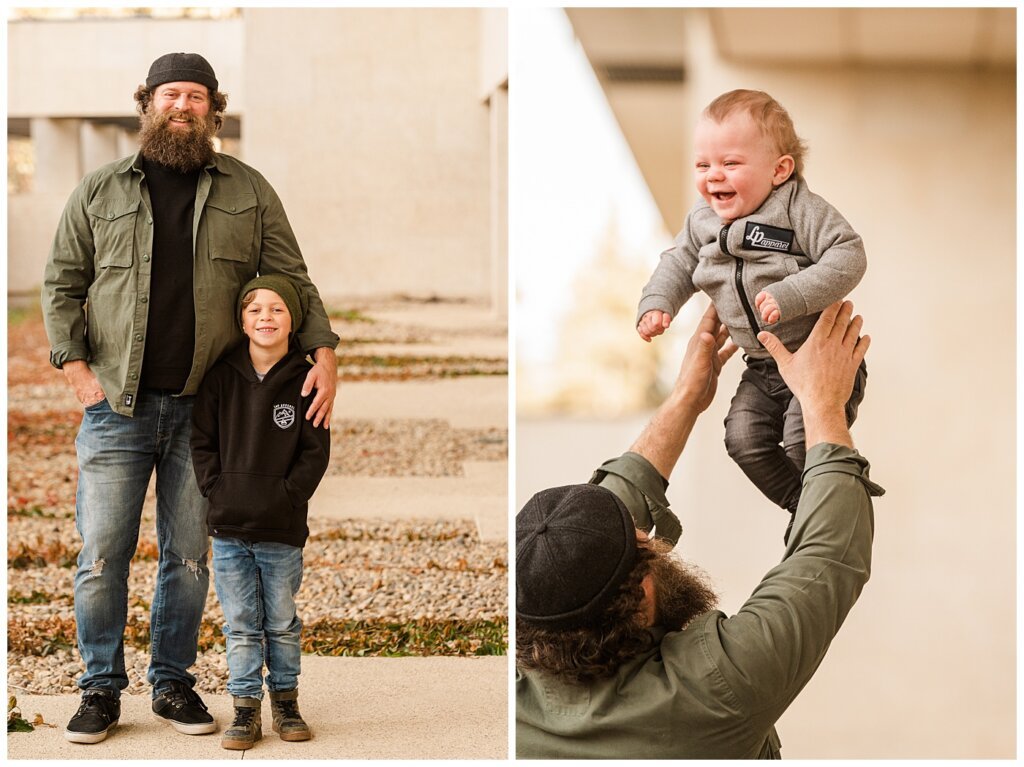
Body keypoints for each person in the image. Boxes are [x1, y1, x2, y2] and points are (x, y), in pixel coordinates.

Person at [41, 52, 340, 744]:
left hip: (206, 412)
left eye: (197, 96)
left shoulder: (249, 190)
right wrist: (75, 367)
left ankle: (172, 680)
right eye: (171, 94)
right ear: (147, 102)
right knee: (101, 555)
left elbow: (294, 277)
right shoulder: (100, 191)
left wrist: (326, 355)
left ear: (214, 108)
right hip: (115, 407)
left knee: (189, 556)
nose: (183, 106)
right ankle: (98, 687)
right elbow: (61, 283)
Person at [517, 301, 884, 758]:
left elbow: (596, 528)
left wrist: (686, 398)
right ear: (641, 600)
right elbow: (826, 558)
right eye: (643, 544)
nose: (647, 533)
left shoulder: (514, 688)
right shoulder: (711, 693)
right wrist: (824, 405)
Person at [636, 89, 868, 539]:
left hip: (816, 357)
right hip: (762, 365)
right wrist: (657, 303)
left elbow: (849, 254)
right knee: (743, 440)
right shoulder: (700, 222)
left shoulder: (798, 209)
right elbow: (678, 262)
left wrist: (793, 293)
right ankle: (805, 511)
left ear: (780, 170)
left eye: (731, 163)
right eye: (703, 165)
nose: (713, 177)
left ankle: (830, 519)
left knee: (805, 444)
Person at [191, 275, 330, 751]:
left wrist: (289, 496)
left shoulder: (306, 380)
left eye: (276, 309)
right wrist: (216, 489)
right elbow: (202, 444)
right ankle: (245, 708)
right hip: (229, 527)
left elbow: (315, 451)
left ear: (293, 320)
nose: (265, 317)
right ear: (241, 320)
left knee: (282, 621)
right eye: (255, 309)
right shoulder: (221, 377)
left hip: (281, 529)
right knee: (241, 623)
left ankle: (286, 702)